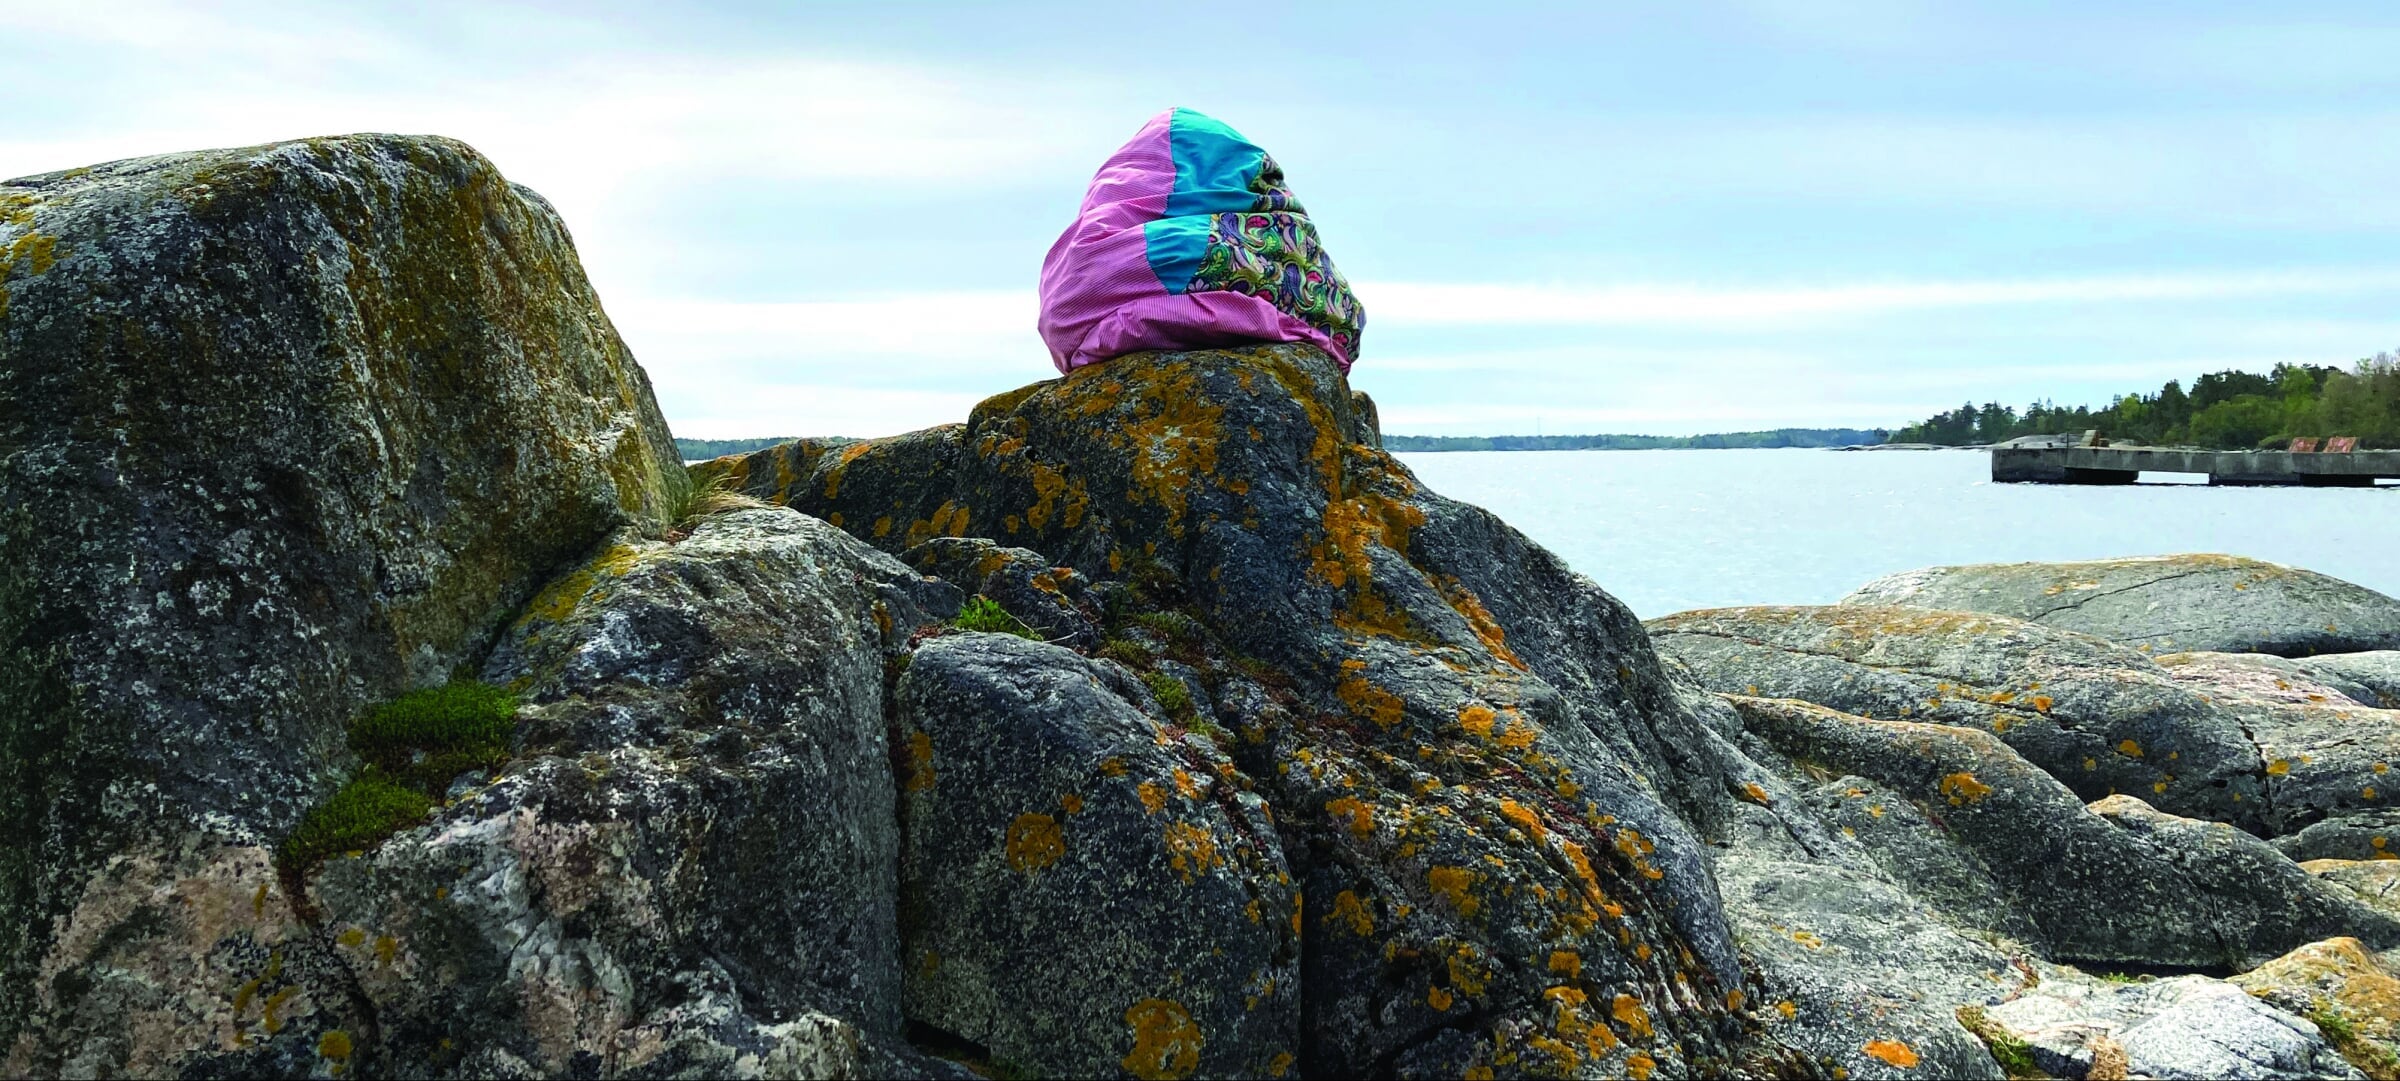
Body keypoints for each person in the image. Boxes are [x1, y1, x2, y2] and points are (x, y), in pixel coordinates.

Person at [1037, 108, 1363, 374]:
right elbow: (1345, 324)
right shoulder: (1271, 241)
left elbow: (1063, 316)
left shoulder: (1076, 266)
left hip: (1082, 326)